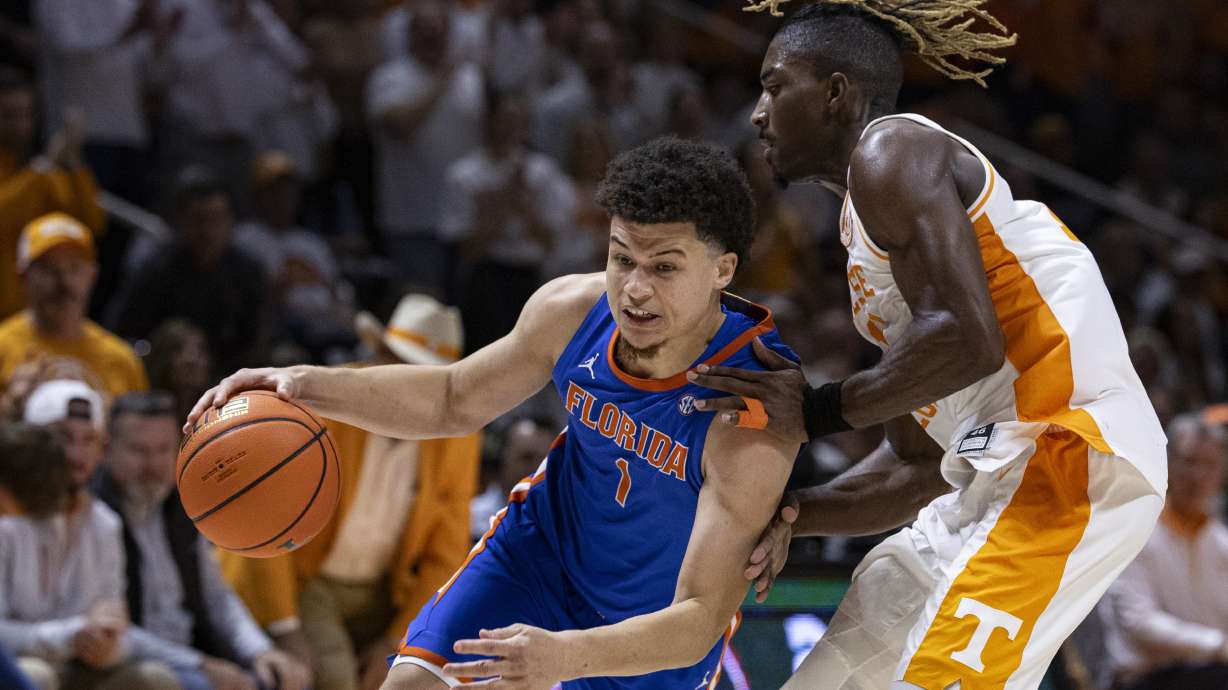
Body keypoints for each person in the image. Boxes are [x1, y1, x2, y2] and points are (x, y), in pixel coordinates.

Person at [186, 137, 801, 690]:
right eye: (622, 258)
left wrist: (565, 655)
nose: (635, 289)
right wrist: (304, 385)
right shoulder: (572, 311)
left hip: (655, 634)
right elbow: (453, 397)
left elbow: (699, 618)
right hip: (537, 559)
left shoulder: (753, 406)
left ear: (722, 270)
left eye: (664, 267)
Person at [686, 2, 1169, 688]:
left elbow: (969, 340)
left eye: (774, 86)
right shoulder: (865, 235)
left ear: (835, 93)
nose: (758, 114)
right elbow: (915, 466)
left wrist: (815, 412)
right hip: (983, 479)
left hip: (1064, 451)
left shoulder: (892, 151)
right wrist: (785, 512)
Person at [220, 294, 481, 690]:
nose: (413, 386)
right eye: (404, 368)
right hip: (306, 578)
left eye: (427, 378)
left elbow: (444, 553)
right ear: (378, 358)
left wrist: (400, 643)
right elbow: (266, 518)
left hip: (385, 590)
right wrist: (285, 626)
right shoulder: (325, 401)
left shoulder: (459, 435)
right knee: (337, 678)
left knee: (431, 679)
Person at [93, 391, 311, 690]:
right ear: (106, 449)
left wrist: (260, 651)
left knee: (284, 679)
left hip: (195, 655)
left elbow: (217, 598)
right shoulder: (94, 516)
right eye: (139, 450)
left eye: (163, 450)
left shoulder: (186, 504)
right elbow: (113, 631)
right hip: (136, 663)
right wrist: (201, 665)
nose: (153, 465)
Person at [1, 381, 180, 690]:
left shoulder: (105, 523)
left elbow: (122, 629)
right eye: (62, 437)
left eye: (89, 440)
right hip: (28, 665)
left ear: (102, 448)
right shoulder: (9, 517)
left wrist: (106, 645)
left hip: (81, 669)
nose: (75, 454)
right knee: (36, 676)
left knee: (155, 679)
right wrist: (69, 636)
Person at [1100, 413, 1228, 690]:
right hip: (1147, 679)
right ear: (1168, 463)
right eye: (1189, 462)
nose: (1197, 475)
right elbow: (1139, 622)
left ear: (1222, 473)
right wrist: (1217, 645)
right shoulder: (1135, 530)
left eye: (1209, 464)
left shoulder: (1220, 543)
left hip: (1210, 671)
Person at [112, 166, 270, 377]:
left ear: (231, 222)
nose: (208, 231)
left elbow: (260, 340)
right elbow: (123, 332)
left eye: (216, 219)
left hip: (230, 376)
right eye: (199, 219)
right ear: (180, 221)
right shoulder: (157, 269)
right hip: (166, 378)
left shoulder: (248, 272)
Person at [0, 212, 148, 397]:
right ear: (23, 276)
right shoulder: (3, 347)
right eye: (48, 268)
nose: (64, 281)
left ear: (92, 275)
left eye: (74, 267)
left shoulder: (122, 361)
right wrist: (11, 403)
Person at [0, 65, 104, 319]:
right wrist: (46, 166)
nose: (20, 125)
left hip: (44, 310)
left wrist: (75, 163)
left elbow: (92, 223)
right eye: (8, 115)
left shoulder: (45, 171)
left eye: (26, 114)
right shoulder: (42, 170)